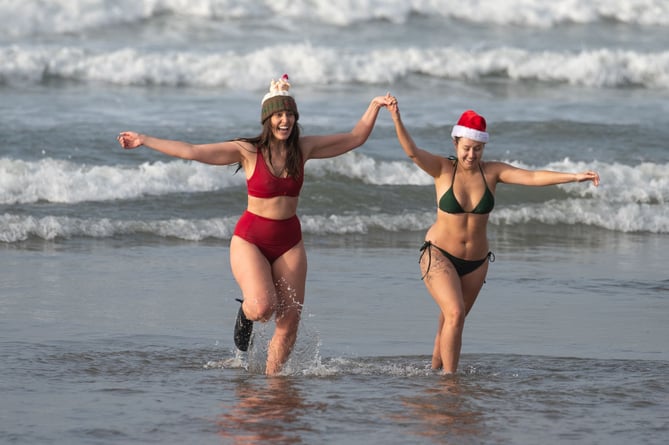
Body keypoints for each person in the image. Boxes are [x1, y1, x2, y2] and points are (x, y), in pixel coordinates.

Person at [118, 75, 394, 375]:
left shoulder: (304, 148)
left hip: (290, 241)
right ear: (268, 119)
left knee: (289, 321)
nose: (285, 120)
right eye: (278, 115)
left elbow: (355, 138)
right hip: (251, 239)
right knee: (262, 307)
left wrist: (374, 106)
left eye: (289, 114)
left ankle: (274, 382)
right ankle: (245, 313)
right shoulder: (247, 151)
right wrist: (145, 139)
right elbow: (192, 151)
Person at [387, 102, 600, 374]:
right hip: (439, 254)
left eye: (477, 149)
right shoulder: (442, 169)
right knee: (455, 314)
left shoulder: (492, 172)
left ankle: (435, 374)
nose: (471, 154)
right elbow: (412, 152)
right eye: (466, 148)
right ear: (455, 143)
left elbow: (532, 177)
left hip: (476, 263)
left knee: (450, 321)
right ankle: (451, 383)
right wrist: (396, 118)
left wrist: (574, 177)